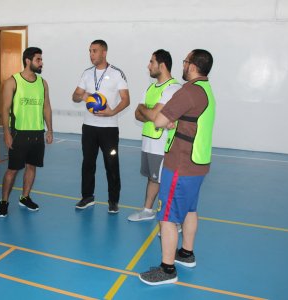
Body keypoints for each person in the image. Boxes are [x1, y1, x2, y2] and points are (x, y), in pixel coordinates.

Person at [139, 49, 215, 285]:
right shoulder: (206, 90)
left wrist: (148, 112)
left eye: (185, 62)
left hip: (181, 163)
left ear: (192, 66)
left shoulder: (189, 91)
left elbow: (158, 120)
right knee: (190, 209)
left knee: (168, 217)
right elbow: (190, 121)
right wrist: (177, 123)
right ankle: (186, 253)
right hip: (198, 163)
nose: (183, 65)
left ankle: (167, 269)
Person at [72, 40, 130, 213]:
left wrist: (112, 112)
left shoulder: (117, 73)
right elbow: (75, 96)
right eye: (90, 51)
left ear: (104, 52)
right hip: (89, 128)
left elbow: (126, 99)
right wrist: (84, 96)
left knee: (111, 164)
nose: (91, 54)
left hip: (109, 129)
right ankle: (87, 197)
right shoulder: (87, 74)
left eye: (94, 51)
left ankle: (113, 201)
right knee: (88, 163)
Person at [0, 47, 53, 218]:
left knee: (31, 166)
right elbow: (5, 109)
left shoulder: (42, 83)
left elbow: (46, 107)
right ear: (28, 61)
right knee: (12, 170)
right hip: (18, 133)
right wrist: (6, 133)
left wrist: (49, 129)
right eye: (38, 59)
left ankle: (25, 197)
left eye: (41, 59)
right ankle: (4, 201)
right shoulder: (12, 81)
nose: (41, 62)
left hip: (37, 132)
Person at [129, 49, 181, 222]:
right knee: (153, 179)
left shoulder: (172, 88)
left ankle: (172, 221)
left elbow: (150, 115)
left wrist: (147, 111)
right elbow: (138, 113)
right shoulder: (151, 88)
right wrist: (149, 112)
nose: (148, 65)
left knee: (165, 182)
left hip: (163, 145)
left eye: (151, 62)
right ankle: (147, 210)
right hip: (148, 143)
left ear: (162, 65)